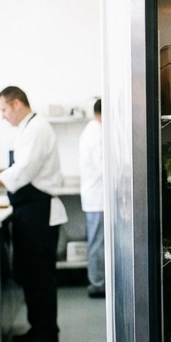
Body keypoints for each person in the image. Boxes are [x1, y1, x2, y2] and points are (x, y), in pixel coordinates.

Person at [0, 86, 67, 342]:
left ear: (15, 103)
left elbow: (24, 172)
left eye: (3, 109)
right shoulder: (29, 128)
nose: (2, 116)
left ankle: (48, 338)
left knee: (40, 278)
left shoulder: (37, 128)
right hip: (30, 211)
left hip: (38, 211)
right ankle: (37, 330)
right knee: (30, 275)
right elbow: (22, 167)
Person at [79, 99, 105, 298]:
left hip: (97, 196)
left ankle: (99, 281)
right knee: (97, 242)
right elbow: (102, 166)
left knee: (98, 241)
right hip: (97, 197)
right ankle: (97, 284)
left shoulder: (95, 130)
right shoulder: (96, 133)